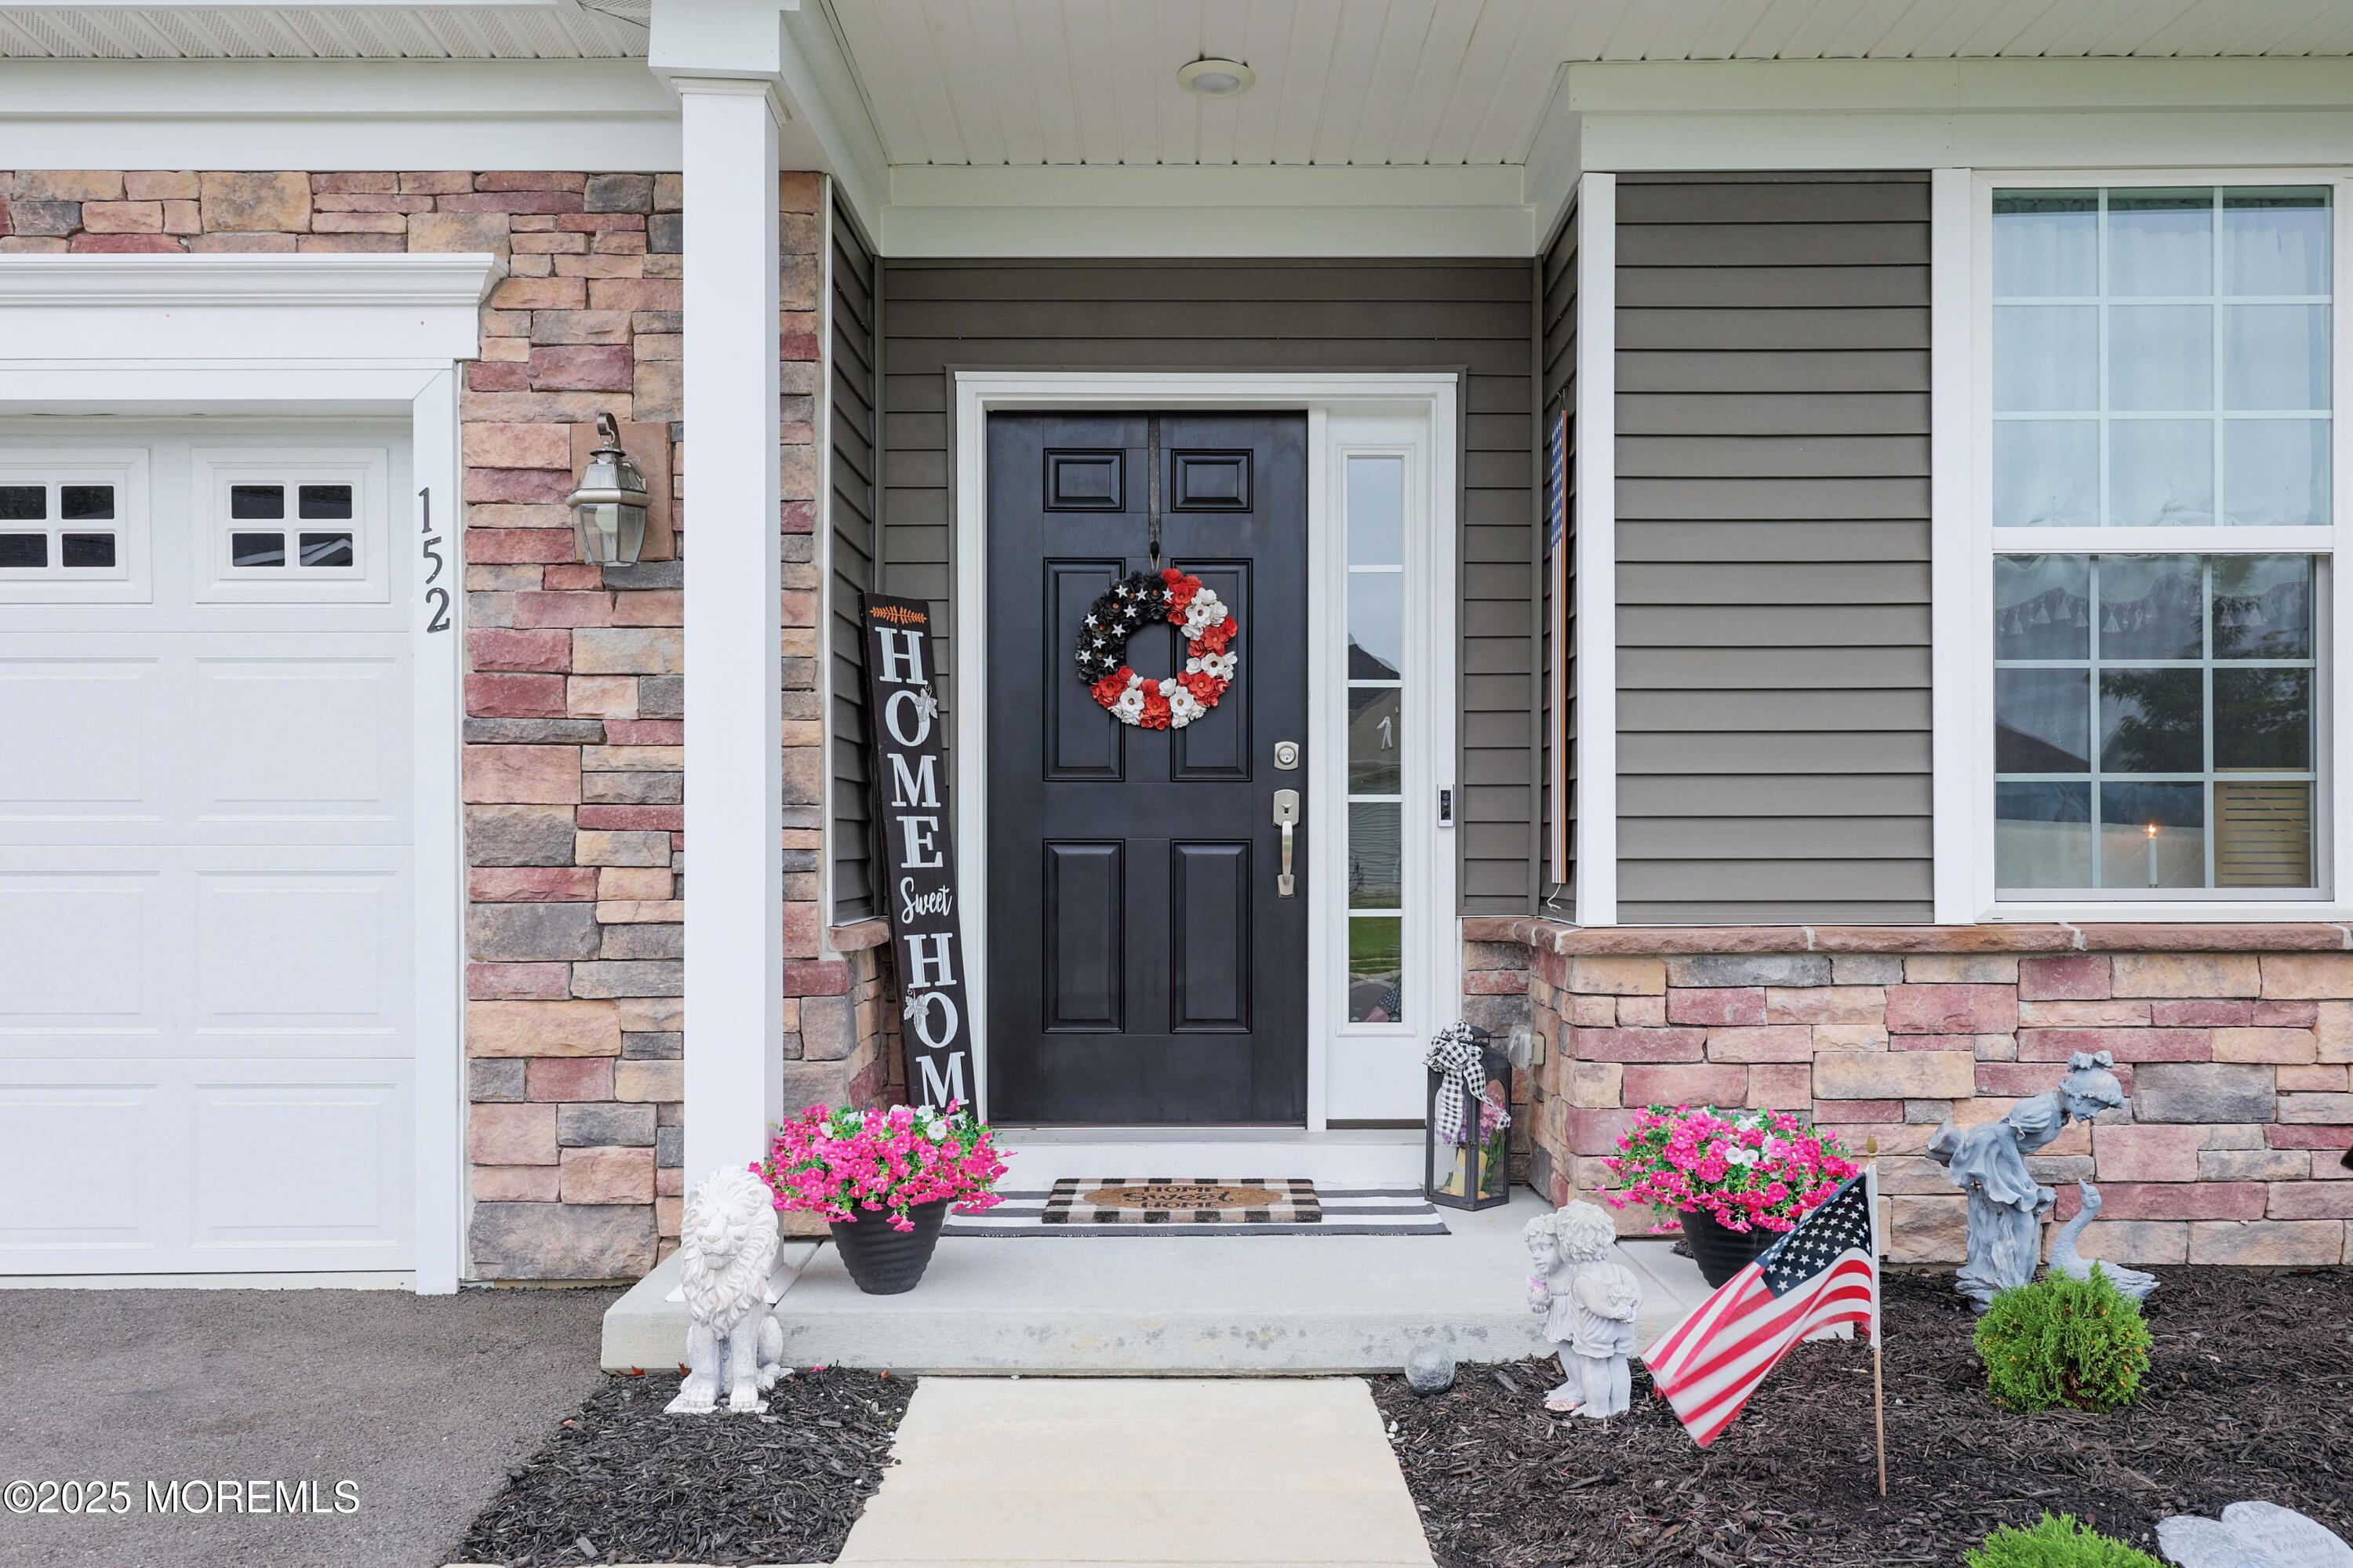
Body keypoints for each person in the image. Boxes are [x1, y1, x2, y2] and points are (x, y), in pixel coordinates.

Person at [1927, 1050, 2127, 1308]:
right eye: (2094, 1106)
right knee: (2024, 1213)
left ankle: (2012, 1281)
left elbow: (2017, 1143)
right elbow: (2002, 1132)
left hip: (2005, 1158)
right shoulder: (2043, 1110)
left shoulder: (2060, 1114)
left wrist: (2021, 1174)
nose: (2095, 1114)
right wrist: (2022, 1177)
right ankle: (2008, 1286)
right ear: (2078, 1095)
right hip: (1992, 1154)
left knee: (2025, 1215)